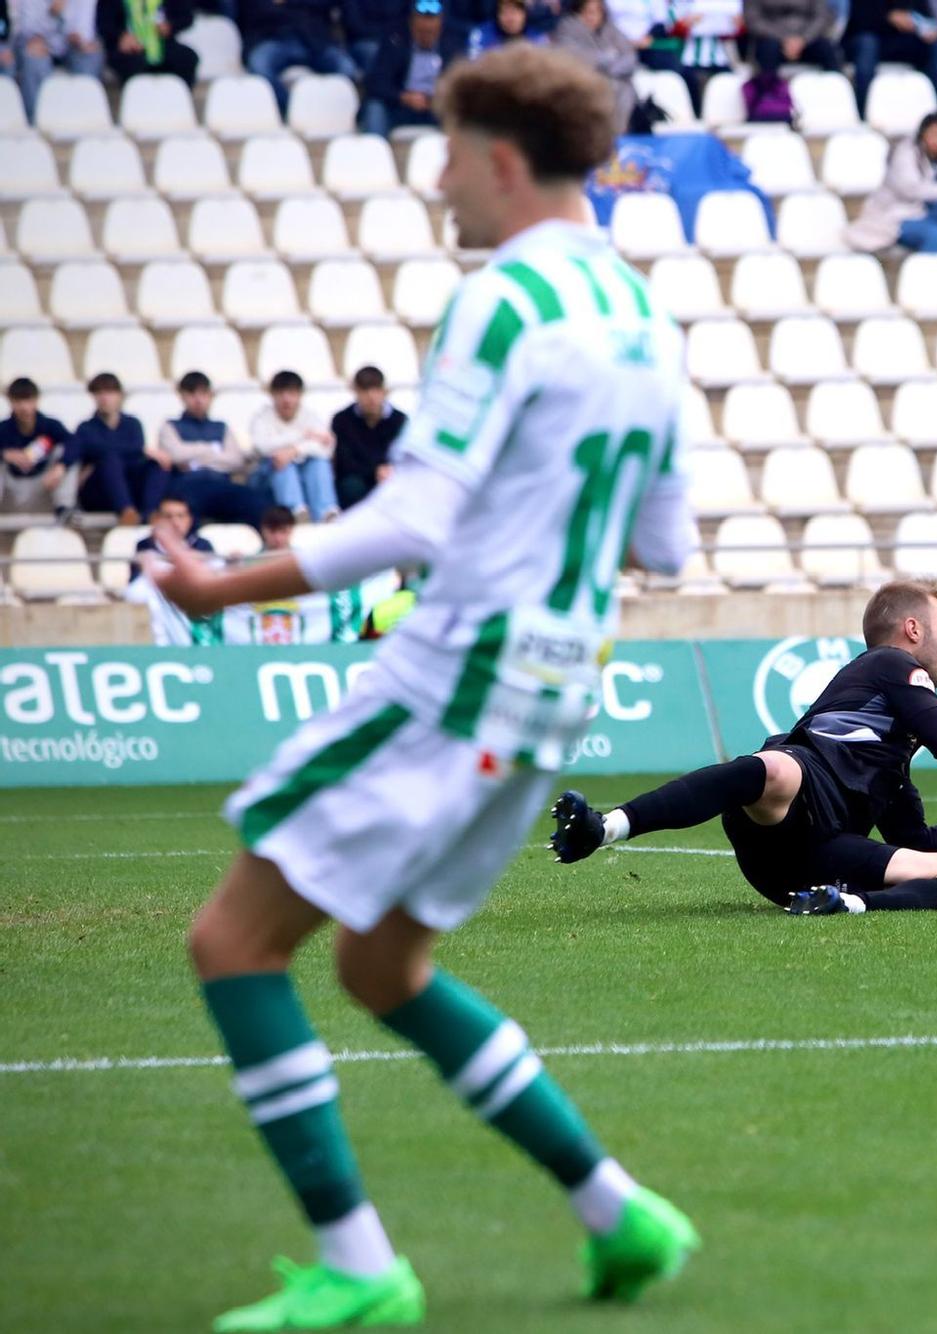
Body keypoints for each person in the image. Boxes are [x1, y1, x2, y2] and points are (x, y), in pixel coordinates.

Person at [143, 45, 702, 1328]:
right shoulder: (641, 315)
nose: (440, 177)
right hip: (559, 684)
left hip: (461, 668)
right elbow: (662, 543)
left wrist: (224, 586)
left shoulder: (504, 298)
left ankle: (358, 1265)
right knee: (383, 966)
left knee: (233, 941)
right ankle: (623, 1213)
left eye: (448, 150)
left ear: (502, 159)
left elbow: (419, 514)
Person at [551, 579, 937, 914]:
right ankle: (607, 826)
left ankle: (846, 905)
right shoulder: (891, 665)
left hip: (814, 862)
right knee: (778, 769)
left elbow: (918, 844)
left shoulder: (893, 755)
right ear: (912, 630)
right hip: (789, 815)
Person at [847, 112, 937, 276]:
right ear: (922, 136)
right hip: (896, 216)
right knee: (936, 233)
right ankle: (926, 283)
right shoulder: (905, 153)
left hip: (924, 211)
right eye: (932, 135)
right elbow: (910, 189)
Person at [152, 371, 272, 527]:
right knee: (182, 513)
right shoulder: (170, 426)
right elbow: (175, 455)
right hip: (187, 486)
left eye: (203, 393)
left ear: (210, 396)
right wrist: (213, 450)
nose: (198, 400)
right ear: (182, 396)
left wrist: (194, 457)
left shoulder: (221, 427)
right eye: (191, 394)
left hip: (220, 484)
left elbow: (236, 461)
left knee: (257, 502)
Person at [362, 0, 466, 139]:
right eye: (421, 31)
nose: (426, 34)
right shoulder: (394, 41)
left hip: (436, 108)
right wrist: (404, 97)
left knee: (461, 114)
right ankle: (373, 154)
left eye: (430, 31)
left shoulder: (453, 45)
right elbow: (376, 83)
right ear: (412, 23)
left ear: (440, 24)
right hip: (401, 106)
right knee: (375, 108)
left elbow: (461, 85)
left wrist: (438, 98)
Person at [74, 372, 166, 523]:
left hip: (130, 486)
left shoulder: (133, 424)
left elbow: (136, 451)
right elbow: (104, 451)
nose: (104, 398)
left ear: (120, 395)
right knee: (110, 461)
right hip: (98, 491)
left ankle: (151, 512)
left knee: (157, 465)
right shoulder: (85, 428)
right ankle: (126, 511)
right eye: (99, 393)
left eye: (109, 392)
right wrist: (140, 450)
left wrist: (140, 451)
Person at [239, 0, 361, 111]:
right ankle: (293, 110)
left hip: (316, 40)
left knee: (347, 68)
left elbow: (326, 4)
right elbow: (258, 9)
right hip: (274, 37)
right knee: (259, 66)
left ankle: (323, 109)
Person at [251, 370, 340, 521]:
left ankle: (326, 513)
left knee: (319, 462)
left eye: (291, 393)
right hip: (266, 476)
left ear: (300, 395)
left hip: (304, 473)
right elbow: (263, 447)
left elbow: (326, 447)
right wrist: (302, 435)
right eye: (280, 393)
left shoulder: (310, 416)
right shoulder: (262, 417)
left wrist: (295, 450)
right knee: (281, 462)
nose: (286, 399)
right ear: (272, 395)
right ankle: (295, 514)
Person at [845, 0, 937, 118]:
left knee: (934, 46)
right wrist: (889, 17)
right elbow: (859, 21)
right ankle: (863, 115)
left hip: (902, 40)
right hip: (870, 38)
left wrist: (928, 29)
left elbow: (926, 16)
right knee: (868, 44)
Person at [555, 0, 641, 132]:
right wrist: (607, 58)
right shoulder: (567, 29)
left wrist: (611, 67)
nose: (591, 16)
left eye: (596, 12)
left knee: (625, 90)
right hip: (580, 84)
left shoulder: (611, 30)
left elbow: (630, 57)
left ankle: (621, 136)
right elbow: (574, 57)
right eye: (587, 12)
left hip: (617, 82)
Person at [0, 377, 78, 517]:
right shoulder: (3, 429)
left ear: (36, 400)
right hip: (10, 492)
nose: (24, 407)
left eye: (28, 400)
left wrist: (60, 467)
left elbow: (75, 444)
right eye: (18, 401)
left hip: (43, 485)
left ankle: (64, 508)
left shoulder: (51, 426)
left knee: (66, 453)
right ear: (10, 402)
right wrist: (5, 455)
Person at [14, 0, 102, 120]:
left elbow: (84, 31)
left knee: (90, 56)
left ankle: (85, 118)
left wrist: (78, 38)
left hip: (70, 46)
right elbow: (28, 30)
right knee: (34, 59)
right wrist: (52, 14)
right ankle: (36, 121)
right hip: (37, 42)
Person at [332, 365, 406, 509]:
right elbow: (344, 461)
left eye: (376, 389)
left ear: (384, 391)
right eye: (365, 390)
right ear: (356, 391)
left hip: (391, 477)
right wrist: (375, 470)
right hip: (359, 479)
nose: (371, 396)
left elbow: (404, 456)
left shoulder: (400, 420)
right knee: (351, 486)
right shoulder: (342, 420)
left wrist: (390, 469)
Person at [95, 0, 199, 86]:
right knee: (133, 63)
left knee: (187, 58)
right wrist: (120, 36)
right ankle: (135, 100)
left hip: (162, 44)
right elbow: (103, 22)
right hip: (129, 48)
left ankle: (179, 101)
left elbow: (186, 17)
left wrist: (171, 25)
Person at [131, 494, 213, 585]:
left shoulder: (203, 545)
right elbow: (136, 585)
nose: (175, 522)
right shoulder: (145, 545)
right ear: (157, 519)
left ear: (190, 520)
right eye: (168, 516)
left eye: (180, 516)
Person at [745, 0, 839, 74]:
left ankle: (836, 90)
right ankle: (768, 93)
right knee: (767, 49)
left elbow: (821, 16)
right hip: (771, 39)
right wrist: (784, 39)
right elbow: (753, 20)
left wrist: (803, 39)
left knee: (826, 48)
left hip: (807, 39)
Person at [468, 0, 546, 56]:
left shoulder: (537, 38)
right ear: (497, 14)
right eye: (505, 12)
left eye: (515, 12)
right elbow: (475, 66)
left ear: (525, 14)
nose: (510, 18)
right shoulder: (482, 34)